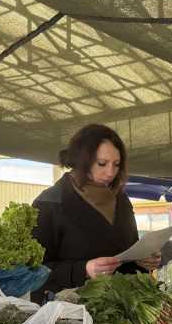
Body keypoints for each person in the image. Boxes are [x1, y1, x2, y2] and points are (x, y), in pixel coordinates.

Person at [31, 124, 160, 303]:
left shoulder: (121, 200)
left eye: (116, 165)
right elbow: (31, 272)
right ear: (81, 159)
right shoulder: (49, 204)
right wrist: (83, 269)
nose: (110, 173)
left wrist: (142, 260)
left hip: (123, 305)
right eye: (102, 164)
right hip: (70, 312)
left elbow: (127, 252)